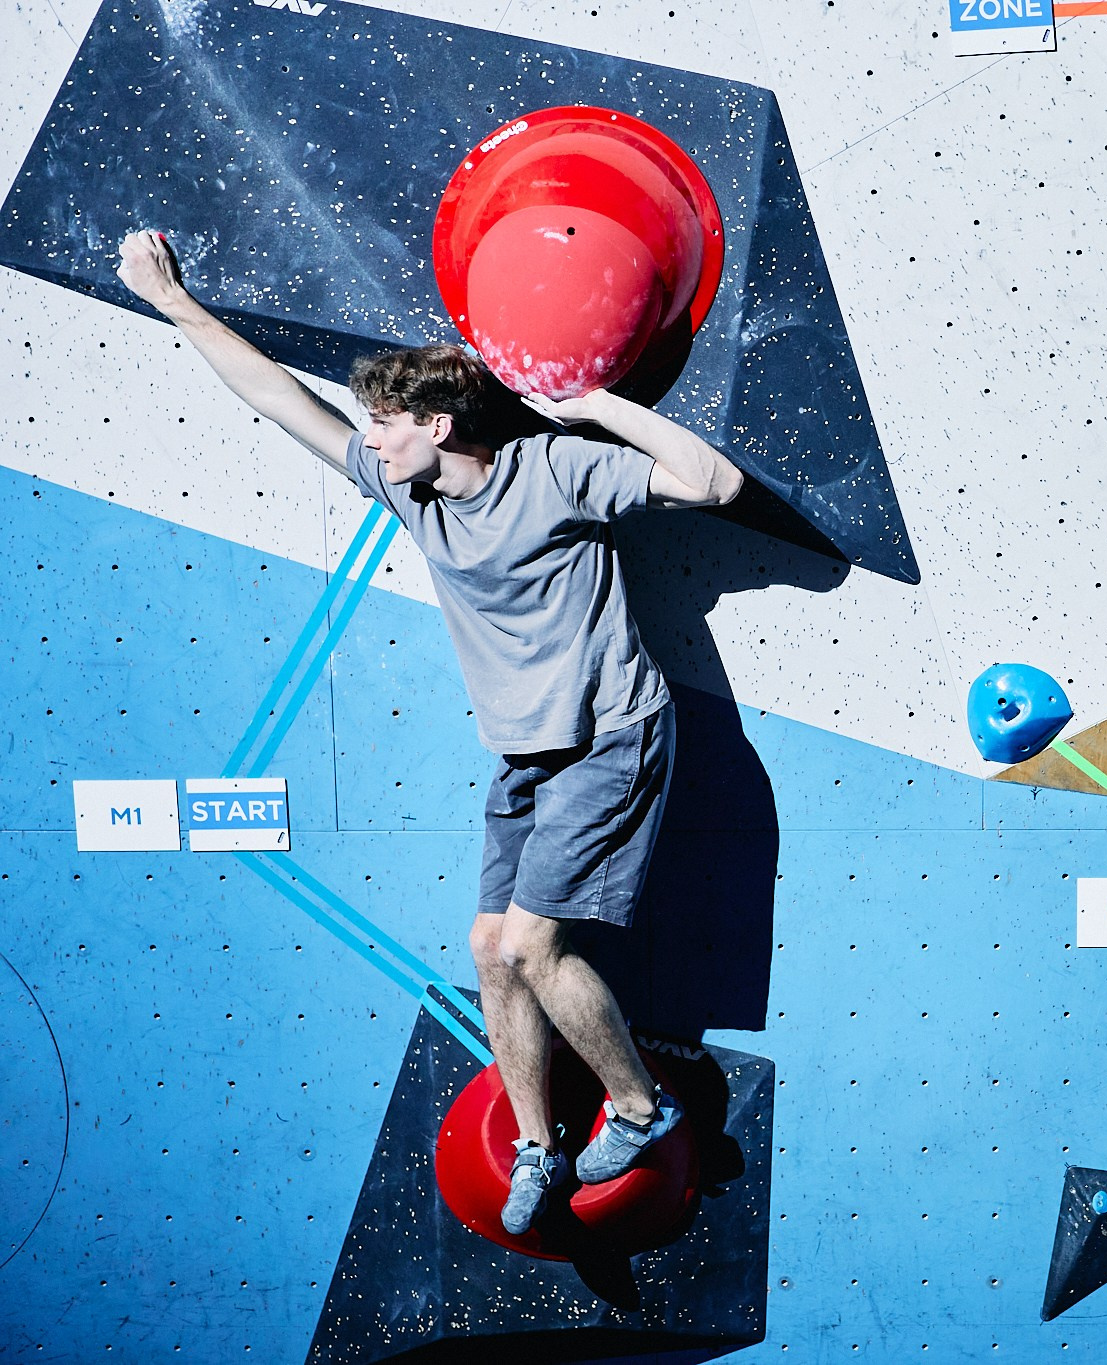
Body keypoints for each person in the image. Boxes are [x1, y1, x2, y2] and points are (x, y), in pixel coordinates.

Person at [116, 229, 746, 1233]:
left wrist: (592, 406)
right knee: (491, 948)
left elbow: (712, 485)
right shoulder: (408, 494)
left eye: (384, 422)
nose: (367, 437)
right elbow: (279, 399)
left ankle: (641, 1105)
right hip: (525, 754)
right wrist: (175, 302)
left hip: (610, 739)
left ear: (440, 424)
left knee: (535, 946)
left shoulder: (554, 471)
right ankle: (540, 1146)